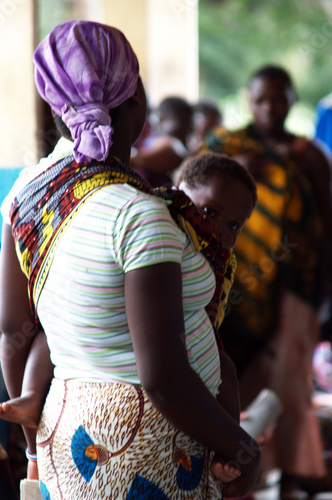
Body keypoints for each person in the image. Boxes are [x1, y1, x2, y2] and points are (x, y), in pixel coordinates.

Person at [0, 20, 260, 498]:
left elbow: (13, 330)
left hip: (69, 440)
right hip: (151, 455)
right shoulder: (138, 214)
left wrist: (34, 446)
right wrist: (244, 449)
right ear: (133, 98)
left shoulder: (27, 192)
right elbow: (163, 377)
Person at [202, 64, 332, 498]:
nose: (269, 108)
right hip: (236, 285)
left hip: (295, 285)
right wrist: (236, 168)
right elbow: (194, 181)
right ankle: (235, 474)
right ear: (248, 101)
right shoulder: (230, 146)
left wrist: (323, 288)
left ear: (292, 100)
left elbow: (326, 224)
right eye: (260, 100)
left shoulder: (306, 154)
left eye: (278, 99)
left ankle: (292, 478)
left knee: (289, 383)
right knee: (233, 379)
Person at [130, 96, 193, 187]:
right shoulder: (153, 138)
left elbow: (176, 150)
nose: (189, 129)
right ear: (161, 120)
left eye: (190, 124)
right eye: (183, 123)